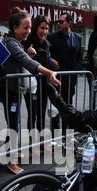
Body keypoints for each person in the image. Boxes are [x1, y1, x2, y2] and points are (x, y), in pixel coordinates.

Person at [0, 7, 61, 175]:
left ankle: (12, 153)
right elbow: (25, 61)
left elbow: (23, 60)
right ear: (15, 28)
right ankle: (11, 160)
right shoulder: (10, 42)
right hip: (10, 91)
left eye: (29, 27)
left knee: (15, 124)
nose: (28, 31)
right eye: (25, 27)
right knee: (14, 125)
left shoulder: (17, 42)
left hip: (15, 90)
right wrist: (49, 72)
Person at [23, 15, 59, 156]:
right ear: (36, 27)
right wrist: (28, 54)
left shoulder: (45, 43)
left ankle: (42, 142)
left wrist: (50, 60)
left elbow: (45, 58)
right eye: (42, 28)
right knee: (33, 115)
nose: (44, 31)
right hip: (31, 86)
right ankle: (32, 144)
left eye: (47, 28)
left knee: (42, 114)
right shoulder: (27, 42)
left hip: (43, 84)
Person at [48, 13, 83, 137]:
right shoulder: (52, 37)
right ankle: (54, 133)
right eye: (58, 22)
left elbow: (79, 57)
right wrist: (50, 60)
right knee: (56, 106)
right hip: (57, 78)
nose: (59, 23)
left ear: (69, 23)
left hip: (71, 79)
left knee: (68, 105)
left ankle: (66, 132)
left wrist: (76, 69)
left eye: (61, 21)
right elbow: (45, 54)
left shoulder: (78, 37)